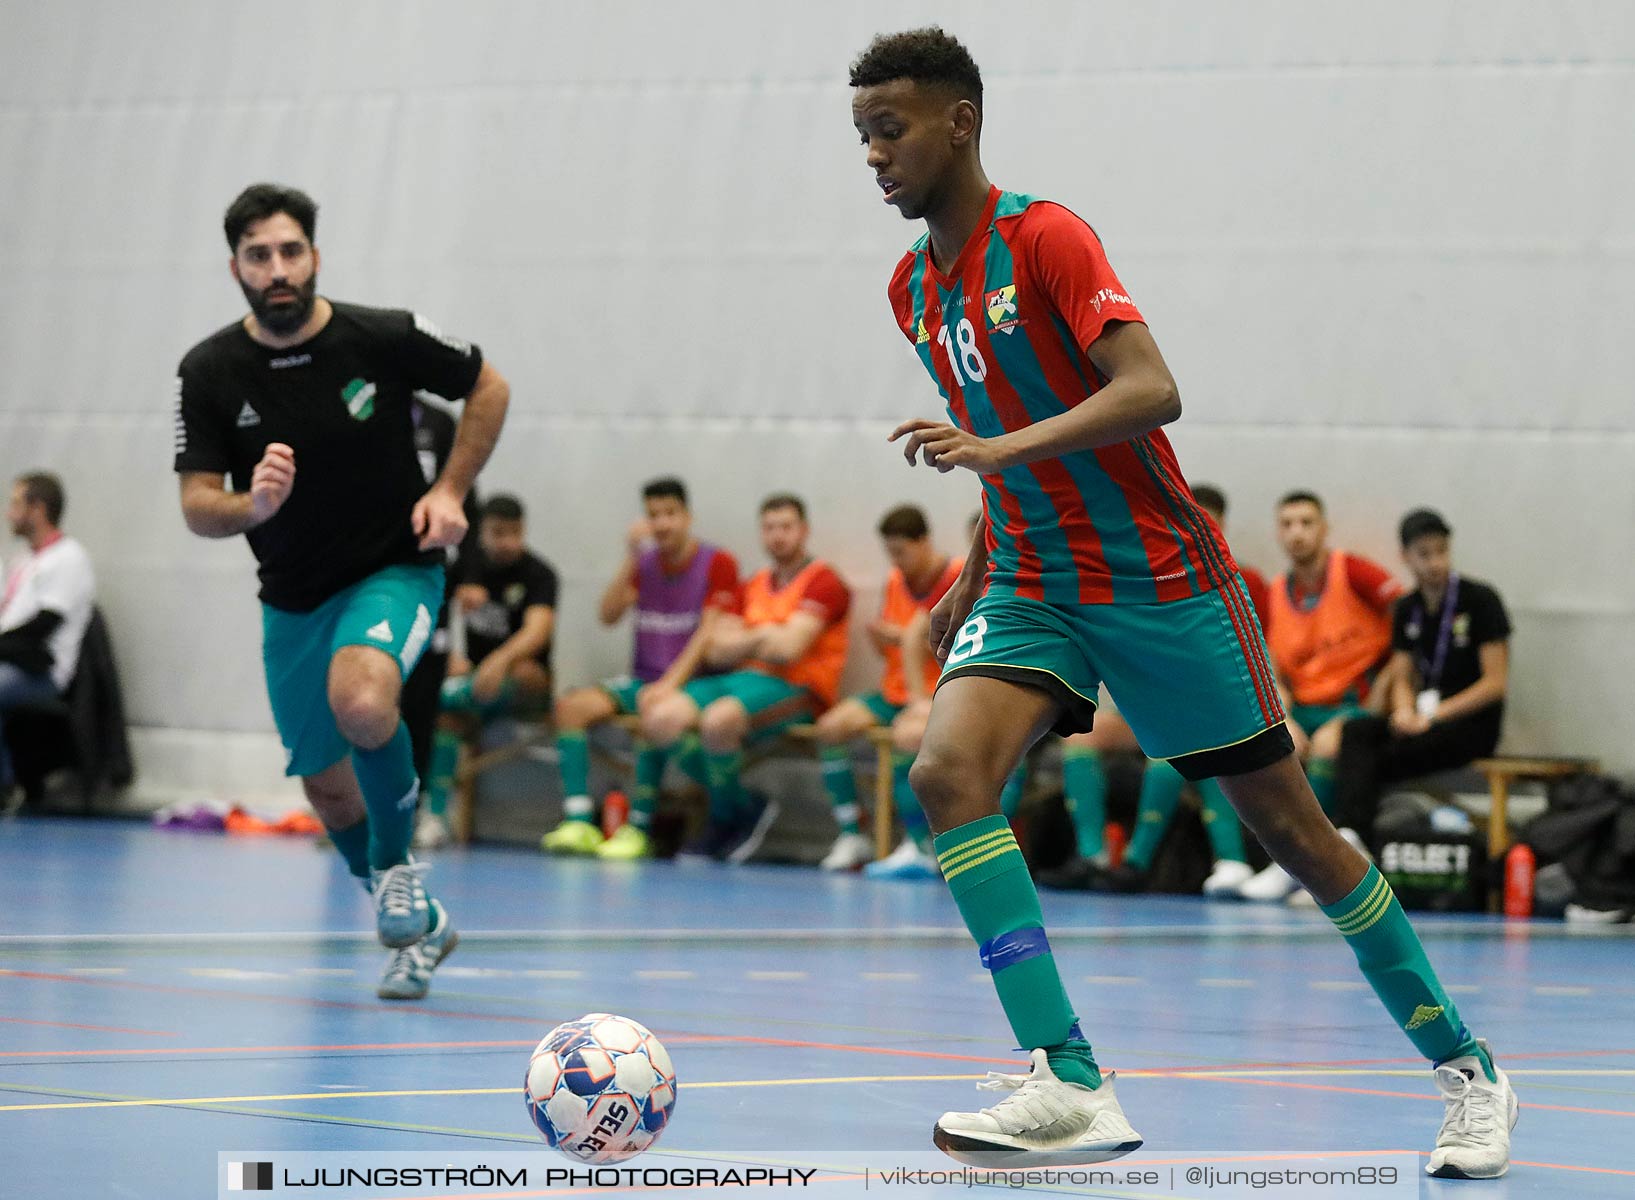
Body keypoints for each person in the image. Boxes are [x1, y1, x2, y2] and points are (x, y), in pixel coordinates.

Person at [850, 28, 1513, 1175]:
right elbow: (1006, 460)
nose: (874, 155)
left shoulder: (1046, 238)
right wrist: (971, 574)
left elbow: (1151, 391)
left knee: (1296, 835)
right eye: (862, 136)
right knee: (945, 770)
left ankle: (1467, 1068)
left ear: (960, 122)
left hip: (1163, 583)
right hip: (1038, 579)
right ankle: (1068, 1078)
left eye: (892, 129)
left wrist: (995, 450)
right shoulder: (914, 288)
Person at [173, 183, 508, 1000]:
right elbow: (196, 507)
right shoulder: (210, 370)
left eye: (291, 251)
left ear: (314, 257)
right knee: (325, 785)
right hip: (291, 596)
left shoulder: (382, 335)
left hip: (395, 567)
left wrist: (452, 491)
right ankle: (419, 923)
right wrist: (250, 505)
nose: (278, 269)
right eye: (259, 256)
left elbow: (488, 387)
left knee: (362, 700)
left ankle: (397, 870)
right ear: (236, 269)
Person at [1044, 484, 1261, 896]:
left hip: (1207, 714)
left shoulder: (1238, 580)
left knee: (1172, 754)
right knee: (1081, 742)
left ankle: (1137, 861)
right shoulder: (1149, 576)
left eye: (1207, 521)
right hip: (1152, 710)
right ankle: (1092, 855)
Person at [640, 494, 849, 863]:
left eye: (786, 527)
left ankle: (722, 821)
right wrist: (764, 636)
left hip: (798, 688)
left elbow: (790, 650)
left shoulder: (824, 581)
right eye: (769, 528)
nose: (777, 536)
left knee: (719, 721)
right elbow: (716, 649)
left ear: (804, 530)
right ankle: (742, 804)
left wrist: (746, 638)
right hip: (743, 680)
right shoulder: (752, 583)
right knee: (660, 718)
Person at [540, 477, 739, 860]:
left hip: (692, 686)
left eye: (670, 514)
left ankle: (640, 827)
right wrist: (630, 558)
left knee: (654, 710)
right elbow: (608, 614)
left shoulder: (718, 562)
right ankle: (579, 819)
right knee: (571, 709)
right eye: (653, 516)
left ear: (688, 516)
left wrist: (669, 685)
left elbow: (708, 633)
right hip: (643, 680)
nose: (662, 523)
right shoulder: (644, 563)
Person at [1238, 490, 1402, 901]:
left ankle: (1320, 866)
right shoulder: (1276, 592)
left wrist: (1391, 685)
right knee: (1270, 746)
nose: (1297, 534)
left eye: (1307, 523)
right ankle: (1286, 860)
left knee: (1332, 746)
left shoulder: (1354, 573)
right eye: (1288, 524)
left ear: (1324, 529)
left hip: (1355, 709)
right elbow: (1269, 665)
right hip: (1304, 708)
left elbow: (1411, 621)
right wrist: (1283, 714)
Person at [1331, 510, 1511, 839]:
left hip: (1468, 723)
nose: (1434, 563)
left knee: (1376, 762)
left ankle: (1360, 835)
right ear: (1406, 557)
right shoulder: (1407, 608)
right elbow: (1402, 671)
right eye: (1424, 555)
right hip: (1423, 721)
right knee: (1357, 733)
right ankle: (1349, 837)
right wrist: (1403, 710)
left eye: (1441, 551)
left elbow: (1495, 684)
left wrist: (1435, 716)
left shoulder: (1480, 600)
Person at [813, 504, 961, 872]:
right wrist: (884, 639)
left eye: (901, 551)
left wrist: (909, 638)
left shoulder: (957, 575)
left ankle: (919, 844)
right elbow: (892, 644)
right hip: (892, 690)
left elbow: (945, 637)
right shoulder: (896, 580)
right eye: (890, 552)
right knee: (831, 728)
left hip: (936, 692)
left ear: (924, 542)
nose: (896, 560)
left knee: (905, 737)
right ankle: (852, 832)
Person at [420, 495, 557, 829]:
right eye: (498, 533)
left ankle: (426, 702)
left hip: (524, 686)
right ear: (481, 531)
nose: (508, 542)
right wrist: (448, 653)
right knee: (446, 722)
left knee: (523, 671)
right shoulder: (466, 569)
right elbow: (429, 610)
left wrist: (499, 661)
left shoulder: (539, 574)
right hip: (476, 687)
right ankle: (436, 816)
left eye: (515, 533)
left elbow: (538, 632)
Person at [401, 394, 482, 850]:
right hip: (375, 576)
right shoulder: (360, 407)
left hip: (433, 579)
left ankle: (418, 807)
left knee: (422, 698)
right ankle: (354, 808)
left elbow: (469, 495)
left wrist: (469, 574)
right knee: (368, 696)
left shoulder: (439, 422)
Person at [1, 473, 96, 810]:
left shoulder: (69, 558)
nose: (9, 513)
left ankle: (5, 786)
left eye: (15, 503)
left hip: (42, 673)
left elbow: (41, 626)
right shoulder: (23, 560)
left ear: (37, 508)